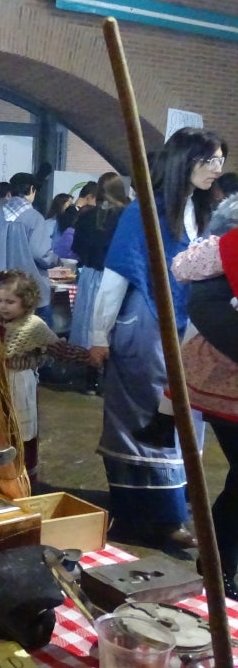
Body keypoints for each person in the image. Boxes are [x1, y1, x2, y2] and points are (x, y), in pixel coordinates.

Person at [87, 127, 228, 549]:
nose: (217, 169)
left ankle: (175, 511)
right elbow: (116, 275)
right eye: (209, 161)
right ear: (184, 161)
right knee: (145, 420)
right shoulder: (144, 210)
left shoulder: (205, 211)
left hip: (190, 328)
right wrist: (99, 333)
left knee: (183, 418)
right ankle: (145, 518)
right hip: (146, 326)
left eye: (221, 160)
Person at [169, 197, 238, 600]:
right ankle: (217, 564)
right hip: (225, 381)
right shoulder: (222, 251)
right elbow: (200, 296)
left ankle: (219, 562)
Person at [0, 270, 89, 485]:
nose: (3, 306)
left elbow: (58, 349)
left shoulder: (34, 325)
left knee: (19, 428)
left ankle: (19, 476)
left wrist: (88, 356)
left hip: (19, 381)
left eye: (10, 301)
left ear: (26, 302)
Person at [69, 172, 131, 394]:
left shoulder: (86, 216)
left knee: (89, 326)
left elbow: (76, 248)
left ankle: (90, 380)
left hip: (90, 275)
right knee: (114, 326)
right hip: (119, 277)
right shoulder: (127, 215)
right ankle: (112, 381)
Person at [0, 171, 59, 326]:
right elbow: (40, 254)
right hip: (29, 292)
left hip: (1, 292)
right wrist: (56, 260)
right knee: (40, 342)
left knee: (4, 340)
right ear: (32, 190)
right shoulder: (34, 218)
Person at [46, 193, 76, 259]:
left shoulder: (70, 224)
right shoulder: (50, 223)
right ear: (61, 205)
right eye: (70, 204)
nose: (72, 207)